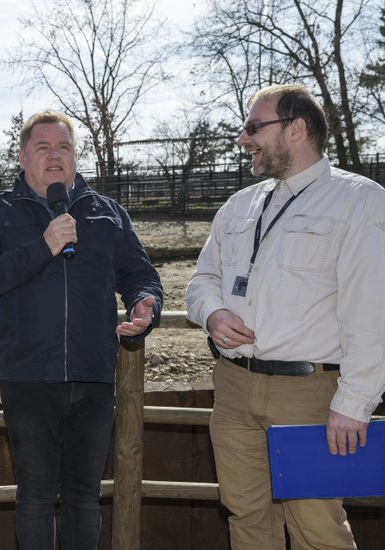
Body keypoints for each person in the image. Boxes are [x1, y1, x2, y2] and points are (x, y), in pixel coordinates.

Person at [186, 84, 385, 549]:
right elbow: (202, 280)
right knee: (246, 518)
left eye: (254, 127)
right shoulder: (239, 204)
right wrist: (212, 313)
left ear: (296, 129)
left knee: (317, 530)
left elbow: (372, 311)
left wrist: (354, 405)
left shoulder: (360, 201)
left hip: (310, 397)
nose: (243, 138)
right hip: (233, 390)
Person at [0, 109, 163, 549]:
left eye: (64, 147)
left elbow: (141, 275)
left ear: (75, 156)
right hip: (28, 377)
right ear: (21, 157)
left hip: (94, 376)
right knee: (34, 498)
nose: (55, 155)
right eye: (43, 147)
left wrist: (146, 303)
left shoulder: (107, 213)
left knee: (85, 499)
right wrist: (44, 246)